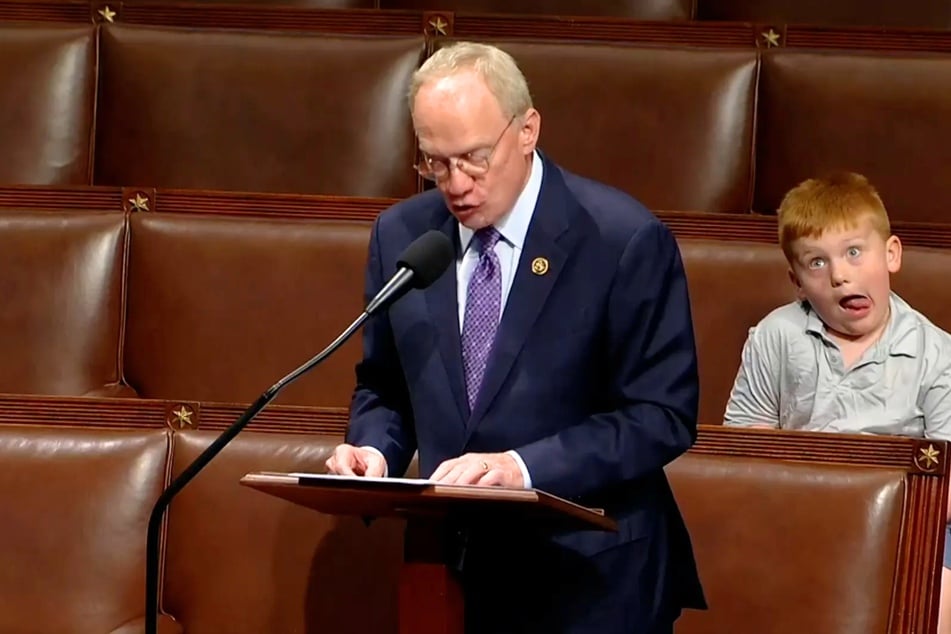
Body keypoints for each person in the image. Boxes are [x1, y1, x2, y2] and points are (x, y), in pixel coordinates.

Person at [324, 41, 705, 633]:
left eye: (474, 157)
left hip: (591, 579)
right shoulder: (403, 236)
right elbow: (386, 385)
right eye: (434, 161)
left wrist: (523, 468)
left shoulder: (621, 239)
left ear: (527, 130)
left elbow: (661, 415)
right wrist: (374, 451)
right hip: (451, 577)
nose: (454, 183)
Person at [722, 171, 951, 632]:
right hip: (794, 507)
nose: (841, 275)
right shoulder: (775, 336)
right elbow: (747, 446)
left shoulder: (938, 353)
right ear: (797, 282)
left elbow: (947, 484)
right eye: (817, 263)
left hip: (909, 520)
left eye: (853, 252)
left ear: (891, 255)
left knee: (939, 587)